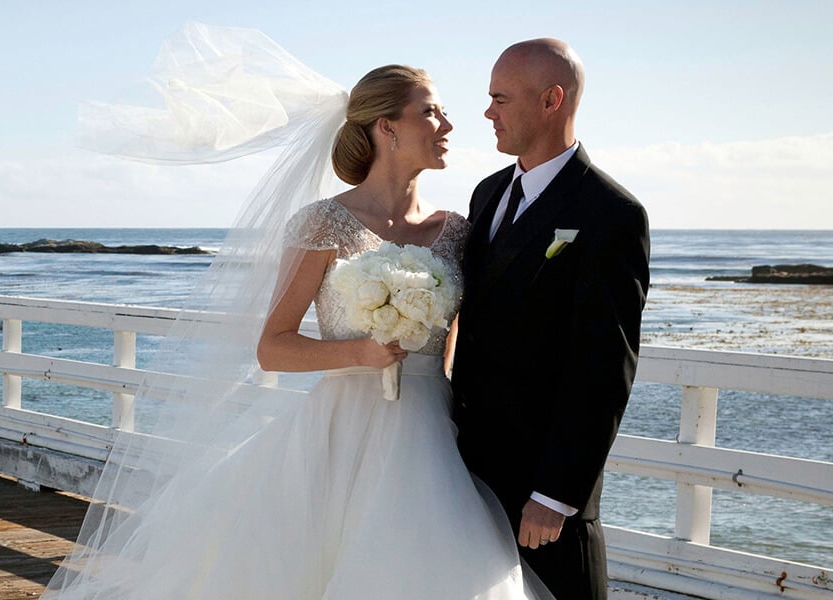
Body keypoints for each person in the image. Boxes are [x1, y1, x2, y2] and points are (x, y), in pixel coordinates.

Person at [45, 24, 545, 599]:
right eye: (431, 113)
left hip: (433, 434)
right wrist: (360, 351)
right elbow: (274, 344)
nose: (449, 126)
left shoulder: (456, 230)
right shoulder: (323, 223)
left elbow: (455, 340)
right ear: (387, 126)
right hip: (339, 435)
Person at [450, 38, 651, 600]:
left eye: (500, 99)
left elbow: (605, 366)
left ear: (551, 100)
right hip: (467, 474)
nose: (487, 113)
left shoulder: (611, 213)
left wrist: (557, 494)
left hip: (542, 496)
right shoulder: (487, 194)